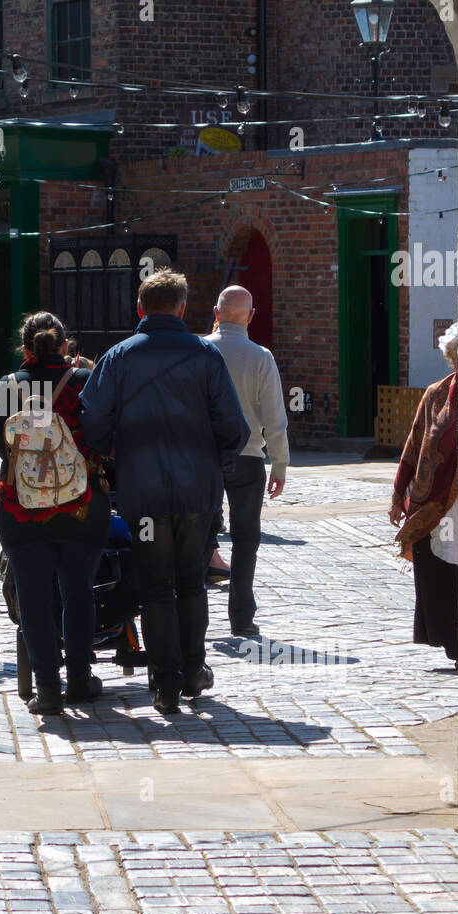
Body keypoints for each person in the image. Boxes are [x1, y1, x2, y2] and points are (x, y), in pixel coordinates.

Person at [79, 269, 249, 714]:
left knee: (157, 586)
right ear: (182, 307)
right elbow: (234, 427)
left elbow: (92, 423)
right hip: (197, 495)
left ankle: (166, 681)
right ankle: (193, 669)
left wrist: (118, 455)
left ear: (140, 308)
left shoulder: (117, 358)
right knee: (192, 582)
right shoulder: (205, 356)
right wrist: (217, 467)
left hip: (146, 495)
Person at [0, 312, 111, 715]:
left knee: (33, 595)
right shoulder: (84, 382)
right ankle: (79, 679)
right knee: (79, 593)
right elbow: (101, 436)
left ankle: (46, 689)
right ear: (66, 346)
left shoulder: (9, 386)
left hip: (22, 508)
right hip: (82, 505)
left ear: (24, 349)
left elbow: (0, 445)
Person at [204, 285, 289, 636]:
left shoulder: (200, 351)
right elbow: (275, 417)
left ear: (216, 312)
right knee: (246, 537)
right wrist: (280, 464)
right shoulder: (261, 357)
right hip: (248, 455)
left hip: (204, 456)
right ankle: (241, 615)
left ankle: (195, 615)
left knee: (198, 534)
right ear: (251, 316)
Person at [390, 321, 458, 669]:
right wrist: (398, 494)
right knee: (441, 570)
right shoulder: (437, 394)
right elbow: (415, 445)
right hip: (435, 501)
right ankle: (451, 639)